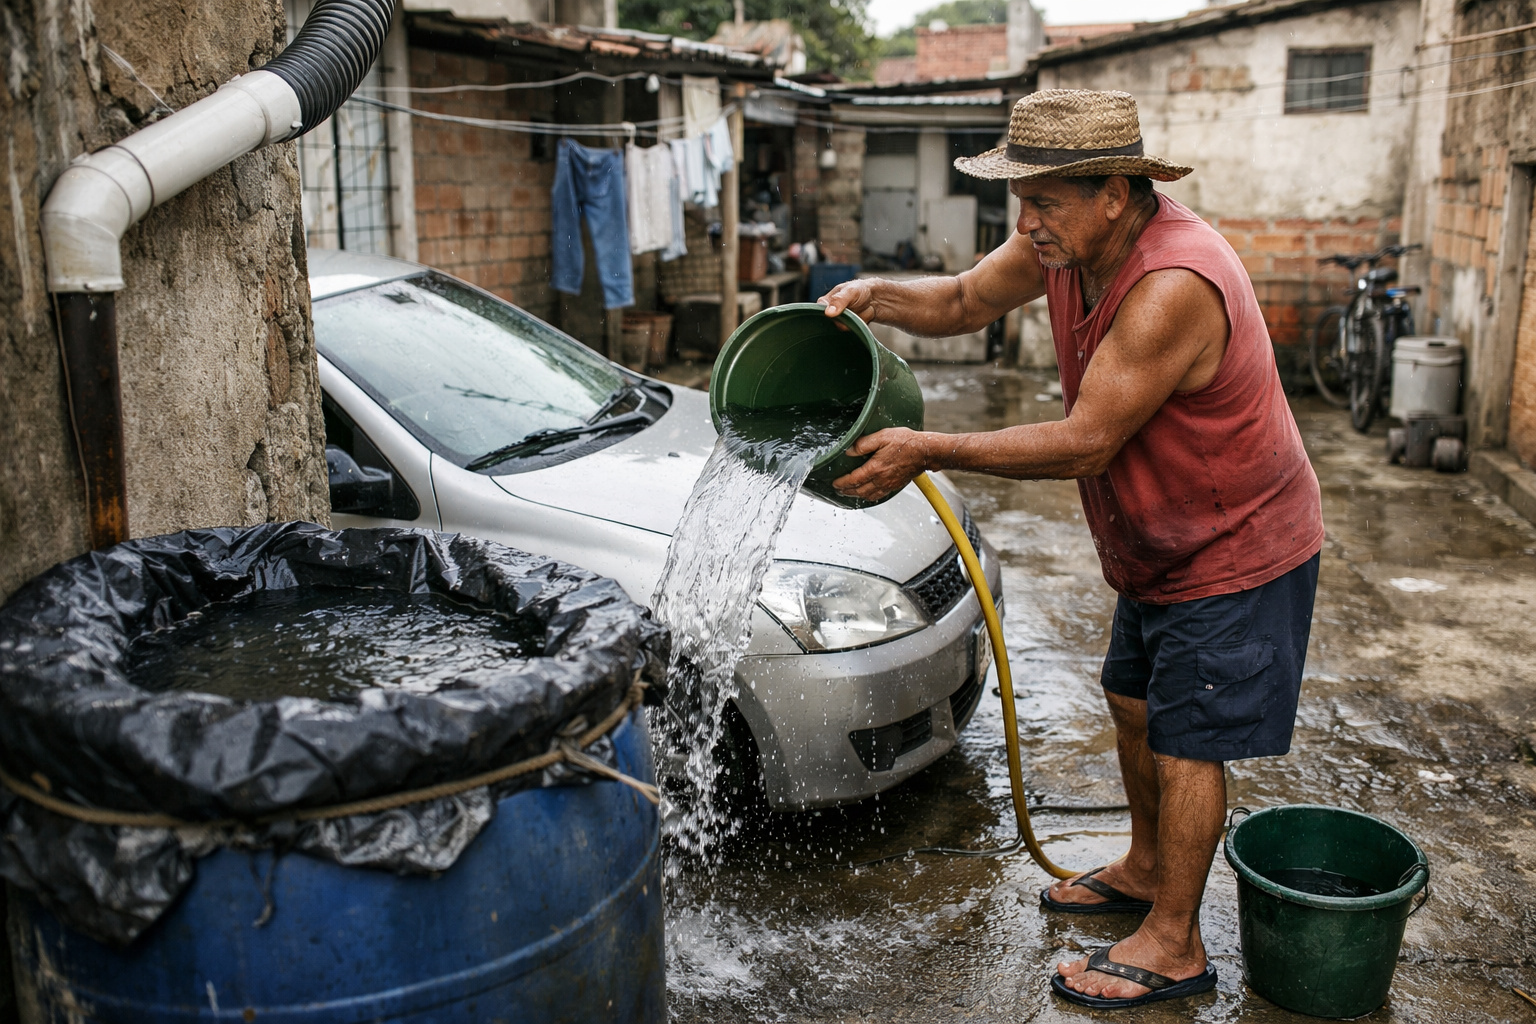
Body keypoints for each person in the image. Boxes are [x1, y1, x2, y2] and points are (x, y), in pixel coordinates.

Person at [818, 89, 1323, 1010]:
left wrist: (927, 447)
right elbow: (968, 299)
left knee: (1188, 739)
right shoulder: (1063, 241)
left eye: (1046, 200)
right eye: (1024, 198)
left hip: (1236, 540)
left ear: (1117, 194)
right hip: (1157, 540)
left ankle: (1175, 943)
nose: (1029, 221)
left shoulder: (1173, 284)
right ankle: (1142, 866)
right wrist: (870, 297)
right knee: (1132, 703)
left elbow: (1088, 440)